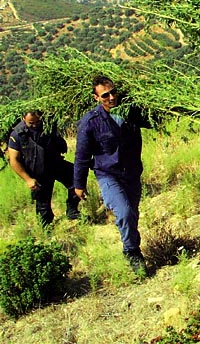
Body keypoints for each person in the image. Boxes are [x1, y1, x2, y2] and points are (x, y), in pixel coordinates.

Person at [74, 76, 150, 275]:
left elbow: (152, 121)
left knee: (131, 214)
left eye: (113, 92)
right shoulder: (90, 122)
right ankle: (132, 252)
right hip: (108, 175)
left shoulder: (131, 112)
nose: (111, 97)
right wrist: (79, 184)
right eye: (105, 95)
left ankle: (131, 245)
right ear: (96, 98)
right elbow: (81, 156)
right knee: (124, 212)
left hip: (132, 173)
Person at [6, 110, 81, 226]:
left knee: (77, 179)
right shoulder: (17, 135)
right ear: (23, 119)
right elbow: (14, 160)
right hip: (38, 172)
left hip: (56, 163)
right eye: (31, 123)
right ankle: (46, 228)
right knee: (43, 204)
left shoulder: (48, 125)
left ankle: (72, 211)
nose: (35, 125)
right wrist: (28, 179)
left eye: (37, 122)